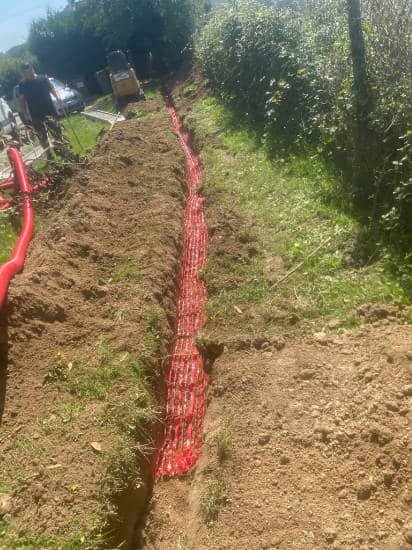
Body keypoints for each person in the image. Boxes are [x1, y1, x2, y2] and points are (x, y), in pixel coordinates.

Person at [18, 63, 67, 157]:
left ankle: (62, 151)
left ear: (32, 69)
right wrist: (25, 113)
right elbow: (21, 100)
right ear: (23, 73)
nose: (27, 73)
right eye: (25, 72)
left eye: (28, 70)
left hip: (50, 110)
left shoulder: (43, 78)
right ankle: (49, 155)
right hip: (35, 113)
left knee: (56, 131)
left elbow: (52, 88)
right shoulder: (22, 84)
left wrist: (58, 97)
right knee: (42, 136)